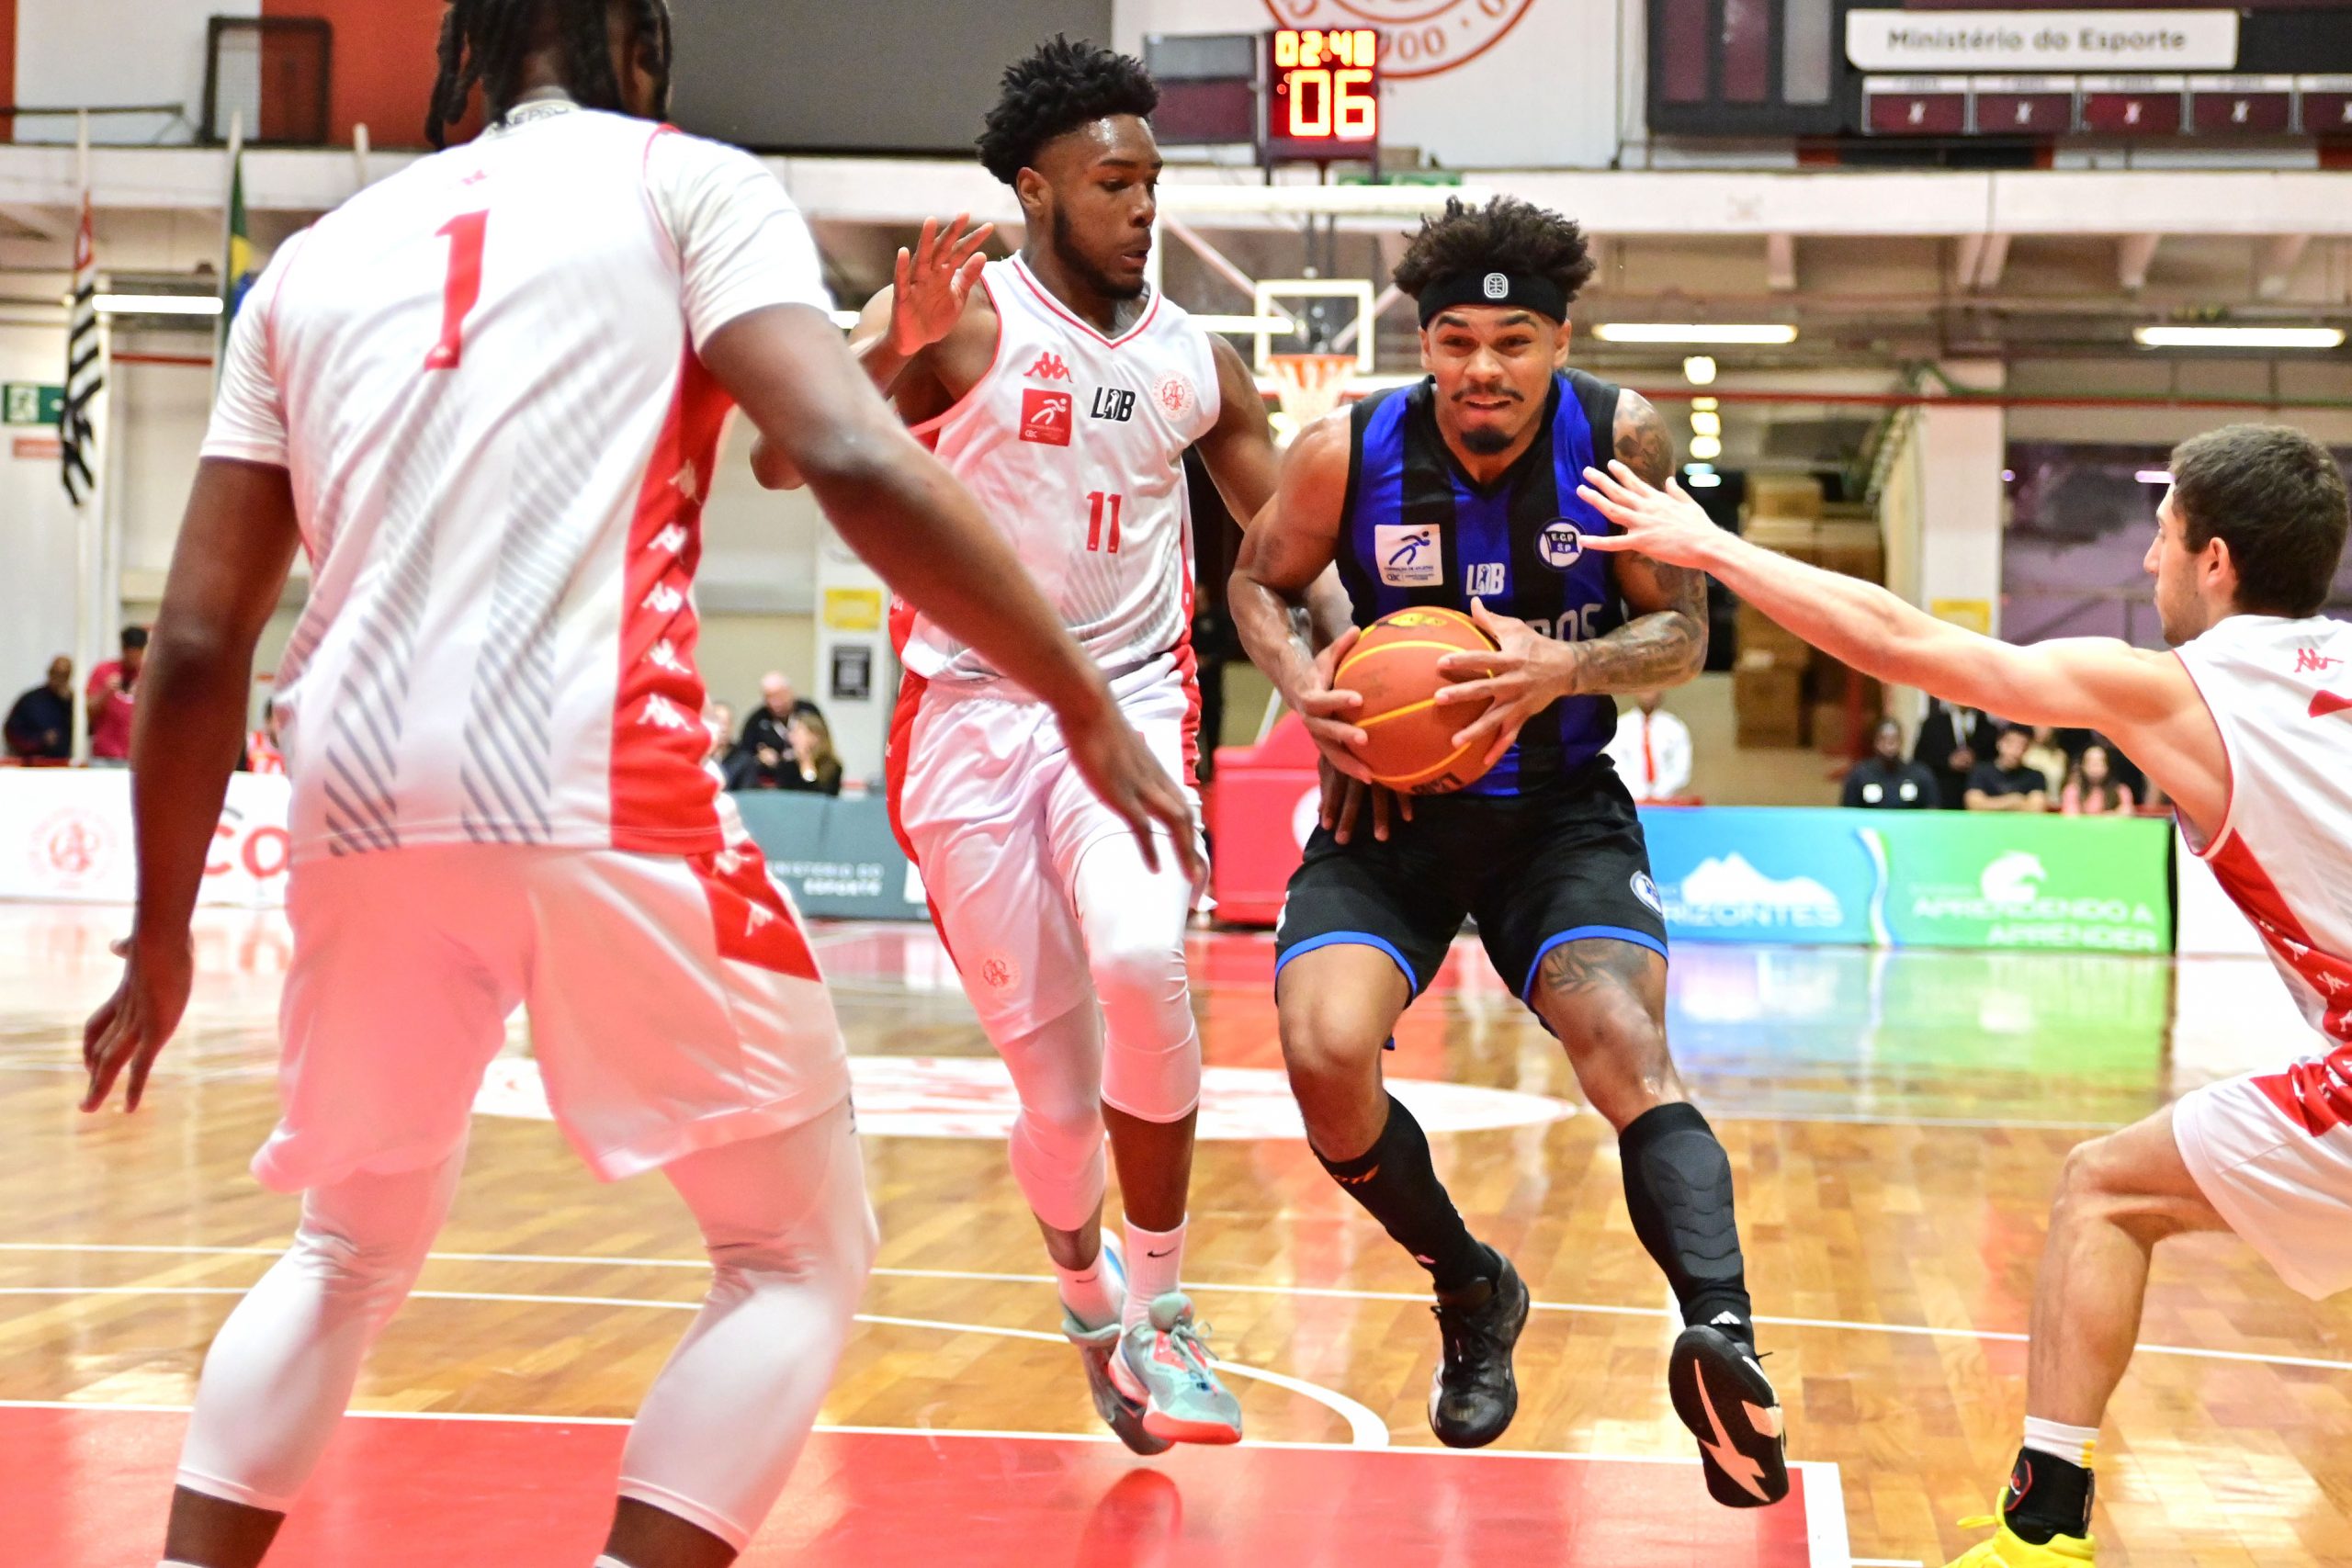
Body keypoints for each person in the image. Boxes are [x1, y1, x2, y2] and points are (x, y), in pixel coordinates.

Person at [74, 6, 1196, 1567]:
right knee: (796, 1251)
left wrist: (159, 931)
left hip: (349, 795)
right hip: (593, 771)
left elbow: (198, 642)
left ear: (467, 61)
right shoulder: (690, 183)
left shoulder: (320, 257)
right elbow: (845, 453)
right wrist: (1081, 694)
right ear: (642, 51)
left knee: (343, 1246)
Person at [1579, 423, 2352, 1567]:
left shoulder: (2183, 692)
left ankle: (2042, 1533)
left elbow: (1905, 641)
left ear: (2216, 560)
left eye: (2162, 535)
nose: (2148, 561)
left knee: (2103, 1193)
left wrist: (1714, 548)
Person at [797, 36, 1340, 1451]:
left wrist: (1352, 649)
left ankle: (1164, 1308)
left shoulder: (1193, 360)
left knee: (1143, 956)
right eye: (1113, 183)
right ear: (1035, 190)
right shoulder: (956, 319)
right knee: (1050, 1097)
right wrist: (889, 344)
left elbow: (1295, 541)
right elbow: (779, 458)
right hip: (969, 715)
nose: (1143, 204)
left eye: (1153, 180)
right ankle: (1085, 1289)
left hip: (1135, 699)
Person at [1230, 195, 1787, 1506]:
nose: (1484, 367)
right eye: (1457, 341)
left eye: (1514, 341)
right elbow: (1257, 581)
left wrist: (1563, 669)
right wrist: (1304, 685)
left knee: (1625, 1047)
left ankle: (1726, 1341)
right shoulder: (1344, 449)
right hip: (1391, 818)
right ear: (1424, 343)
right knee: (1322, 1054)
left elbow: (1684, 636)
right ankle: (1471, 1283)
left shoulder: (1618, 436)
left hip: (1558, 814)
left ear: (1559, 341)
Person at [1605, 688, 1691, 803]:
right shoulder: (1621, 726)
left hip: (1665, 801)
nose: (1648, 694)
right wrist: (1639, 794)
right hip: (1628, 801)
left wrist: (1658, 794)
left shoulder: (1675, 727)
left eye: (1653, 688)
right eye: (1645, 689)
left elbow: (1681, 769)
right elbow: (1615, 765)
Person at [1917, 696, 1998, 810]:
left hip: (1978, 795)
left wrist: (1975, 761)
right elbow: (1920, 758)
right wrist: (1948, 761)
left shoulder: (1988, 727)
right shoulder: (1933, 724)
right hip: (1941, 794)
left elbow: (1994, 761)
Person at [740, 671, 820, 786]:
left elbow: (825, 741)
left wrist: (805, 756)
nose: (775, 703)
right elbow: (745, 754)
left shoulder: (809, 711)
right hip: (773, 781)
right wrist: (759, 759)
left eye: (779, 696)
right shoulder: (756, 719)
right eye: (769, 697)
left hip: (811, 771)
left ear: (790, 692)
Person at [1841, 717, 1939, 809]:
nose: (1889, 744)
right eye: (1883, 739)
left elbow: (1932, 810)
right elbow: (1848, 813)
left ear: (1901, 741)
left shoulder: (1920, 775)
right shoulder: (1859, 775)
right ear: (1875, 742)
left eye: (1894, 739)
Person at [86, 626, 147, 764]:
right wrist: (106, 691)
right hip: (104, 755)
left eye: (137, 654)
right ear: (123, 649)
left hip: (137, 756)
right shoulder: (103, 671)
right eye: (129, 653)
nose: (133, 659)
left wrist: (144, 695)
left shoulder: (149, 674)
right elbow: (90, 712)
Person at [1966, 725, 2052, 812]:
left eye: (2023, 745)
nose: (2016, 751)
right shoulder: (1981, 771)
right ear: (1999, 743)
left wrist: (1990, 803)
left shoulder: (2035, 776)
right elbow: (1973, 803)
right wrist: (2013, 801)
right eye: (2011, 744)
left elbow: (2037, 807)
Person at [4, 656, 74, 762]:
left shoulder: (73, 703)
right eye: (56, 673)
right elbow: (12, 732)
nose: (59, 679)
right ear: (50, 673)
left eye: (64, 675)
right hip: (32, 763)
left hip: (63, 763)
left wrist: (68, 702)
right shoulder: (31, 700)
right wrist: (39, 741)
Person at [2060, 741, 2136, 817]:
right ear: (2082, 766)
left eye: (2099, 762)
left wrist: (2112, 816)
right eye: (2090, 762)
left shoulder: (2121, 790)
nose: (2095, 766)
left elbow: (2127, 811)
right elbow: (2071, 815)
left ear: (2108, 765)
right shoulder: (2072, 790)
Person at [779, 710, 842, 795]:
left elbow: (822, 794)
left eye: (797, 733)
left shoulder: (832, 766)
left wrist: (807, 763)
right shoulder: (788, 766)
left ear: (814, 737)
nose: (791, 737)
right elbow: (786, 795)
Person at [703, 700, 757, 792]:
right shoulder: (698, 757)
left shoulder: (744, 759)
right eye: (718, 722)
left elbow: (746, 794)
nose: (724, 729)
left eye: (727, 723)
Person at [242, 700, 286, 776]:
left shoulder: (295, 749)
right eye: (279, 719)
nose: (283, 725)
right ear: (268, 721)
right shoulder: (252, 741)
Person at [2023, 724, 2070, 795]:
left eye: (2044, 726)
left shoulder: (2061, 755)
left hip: (2054, 800)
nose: (2040, 730)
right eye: (2037, 725)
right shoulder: (2023, 752)